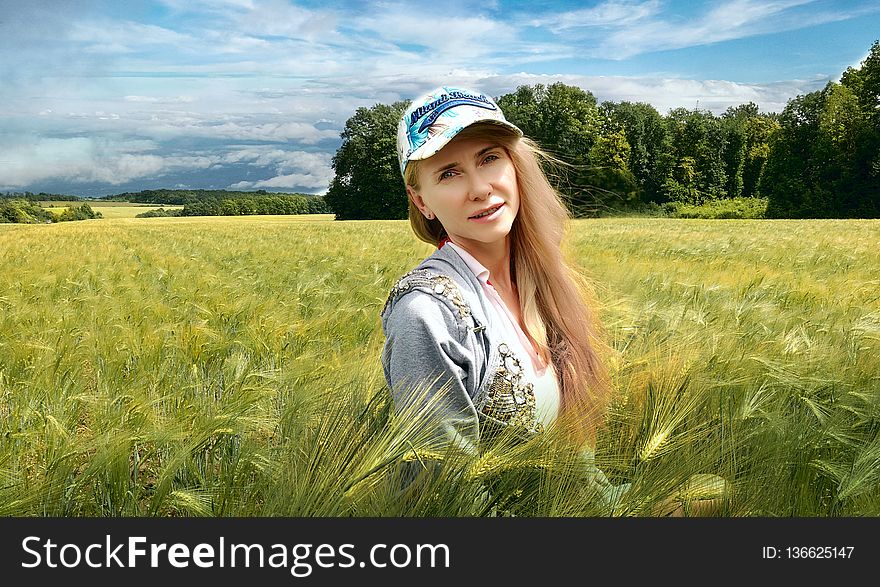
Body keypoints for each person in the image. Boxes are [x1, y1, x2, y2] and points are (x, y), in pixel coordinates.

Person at [380, 86, 723, 516]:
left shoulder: (541, 284)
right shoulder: (427, 314)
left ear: (515, 165)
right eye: (449, 173)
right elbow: (448, 498)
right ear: (421, 200)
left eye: (489, 158)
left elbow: (577, 473)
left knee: (714, 491)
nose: (480, 188)